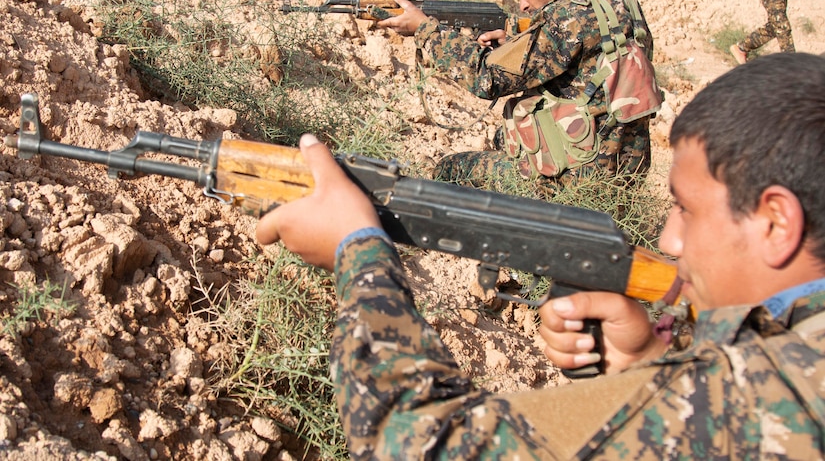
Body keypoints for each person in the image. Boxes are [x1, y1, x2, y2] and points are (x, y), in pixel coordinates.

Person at [256, 52, 825, 458]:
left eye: (686, 209)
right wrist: (644, 367)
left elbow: (410, 439)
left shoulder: (756, 394)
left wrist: (358, 251)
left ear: (777, 222)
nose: (671, 240)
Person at [376, 0, 657, 190]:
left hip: (576, 180)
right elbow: (585, 56)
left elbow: (486, 79)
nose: (522, 3)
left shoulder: (567, 15)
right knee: (503, 138)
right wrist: (516, 37)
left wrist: (425, 31)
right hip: (625, 169)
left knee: (450, 170)